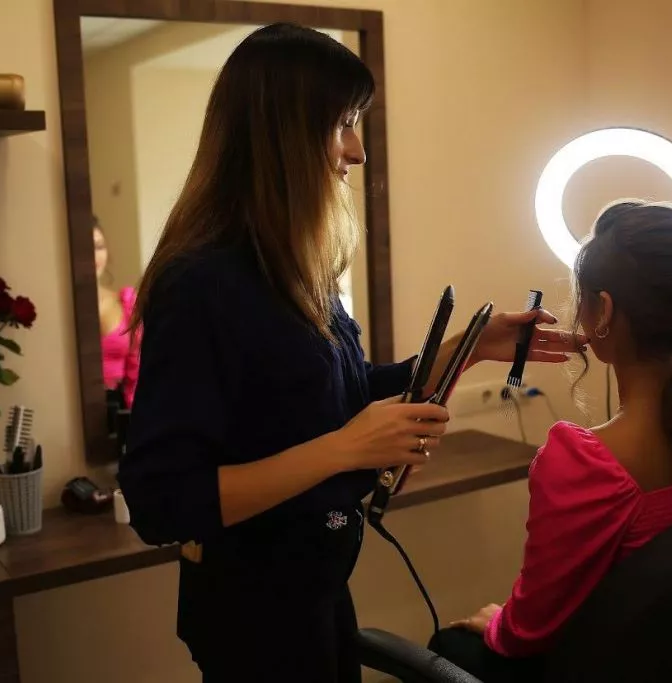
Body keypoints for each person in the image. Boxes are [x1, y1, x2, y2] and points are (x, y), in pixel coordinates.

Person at [116, 23, 585, 683]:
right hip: (251, 617)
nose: (357, 151)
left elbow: (344, 392)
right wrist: (345, 449)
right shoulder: (201, 284)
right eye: (342, 125)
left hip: (318, 584)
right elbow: (161, 499)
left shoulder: (293, 268)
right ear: (282, 136)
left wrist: (468, 348)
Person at [433, 200, 672, 683]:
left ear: (603, 310)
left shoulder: (585, 463)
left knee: (449, 645)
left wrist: (498, 623)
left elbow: (530, 631)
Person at [93, 218, 140, 410]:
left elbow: (136, 368)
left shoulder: (125, 302)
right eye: (86, 247)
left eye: (99, 247)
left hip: (118, 406)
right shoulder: (62, 307)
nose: (94, 255)